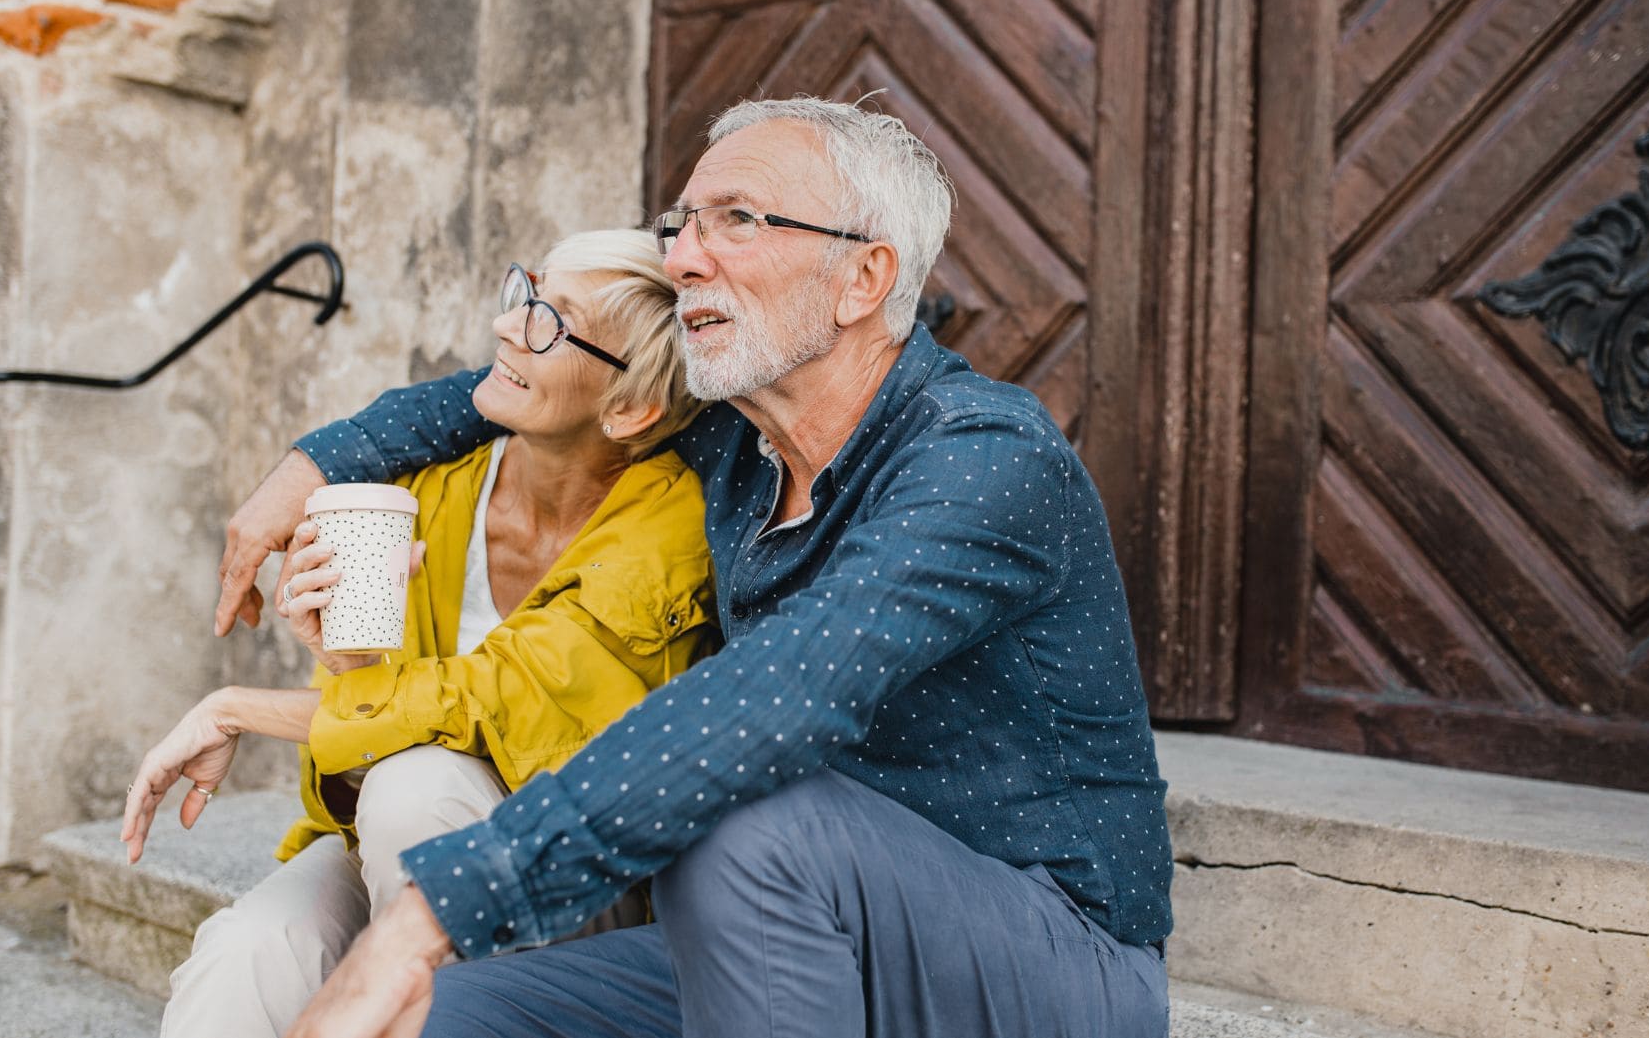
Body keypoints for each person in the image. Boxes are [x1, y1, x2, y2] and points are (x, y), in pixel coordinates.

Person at [221, 96, 1172, 1038]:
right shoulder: (734, 442)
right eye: (681, 223)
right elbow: (534, 382)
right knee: (453, 1013)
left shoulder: (984, 458)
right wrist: (309, 467)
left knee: (746, 802)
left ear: (862, 279)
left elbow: (783, 691)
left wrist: (427, 918)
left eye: (740, 222)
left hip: (1043, 959)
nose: (681, 255)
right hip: (788, 921)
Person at [122, 229, 719, 1038]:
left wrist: (235, 708)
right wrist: (345, 658)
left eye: (551, 321)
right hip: (399, 849)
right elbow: (365, 732)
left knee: (419, 787)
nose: (509, 328)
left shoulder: (669, 520)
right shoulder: (424, 493)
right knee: (250, 949)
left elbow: (495, 694)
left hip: (576, 868)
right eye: (525, 294)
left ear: (631, 407)